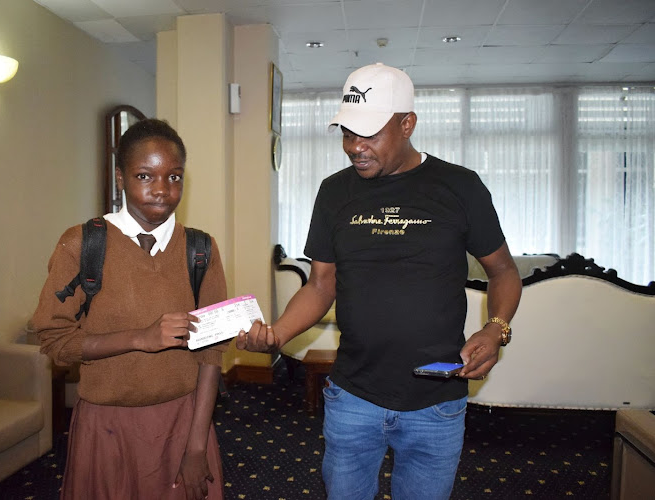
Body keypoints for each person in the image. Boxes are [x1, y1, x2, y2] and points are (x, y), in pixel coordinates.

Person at [236, 63, 522, 499]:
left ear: (407, 124)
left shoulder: (460, 187)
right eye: (347, 133)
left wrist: (495, 329)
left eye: (369, 134)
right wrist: (277, 334)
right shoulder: (335, 192)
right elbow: (320, 285)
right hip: (354, 397)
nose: (355, 147)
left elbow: (504, 272)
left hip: (436, 402)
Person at [32, 119, 227, 500]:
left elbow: (212, 354)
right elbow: (55, 340)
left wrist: (197, 446)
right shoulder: (82, 245)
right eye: (144, 175)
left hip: (183, 422)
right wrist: (140, 338)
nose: (162, 190)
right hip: (107, 426)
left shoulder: (200, 250)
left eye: (174, 177)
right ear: (120, 178)